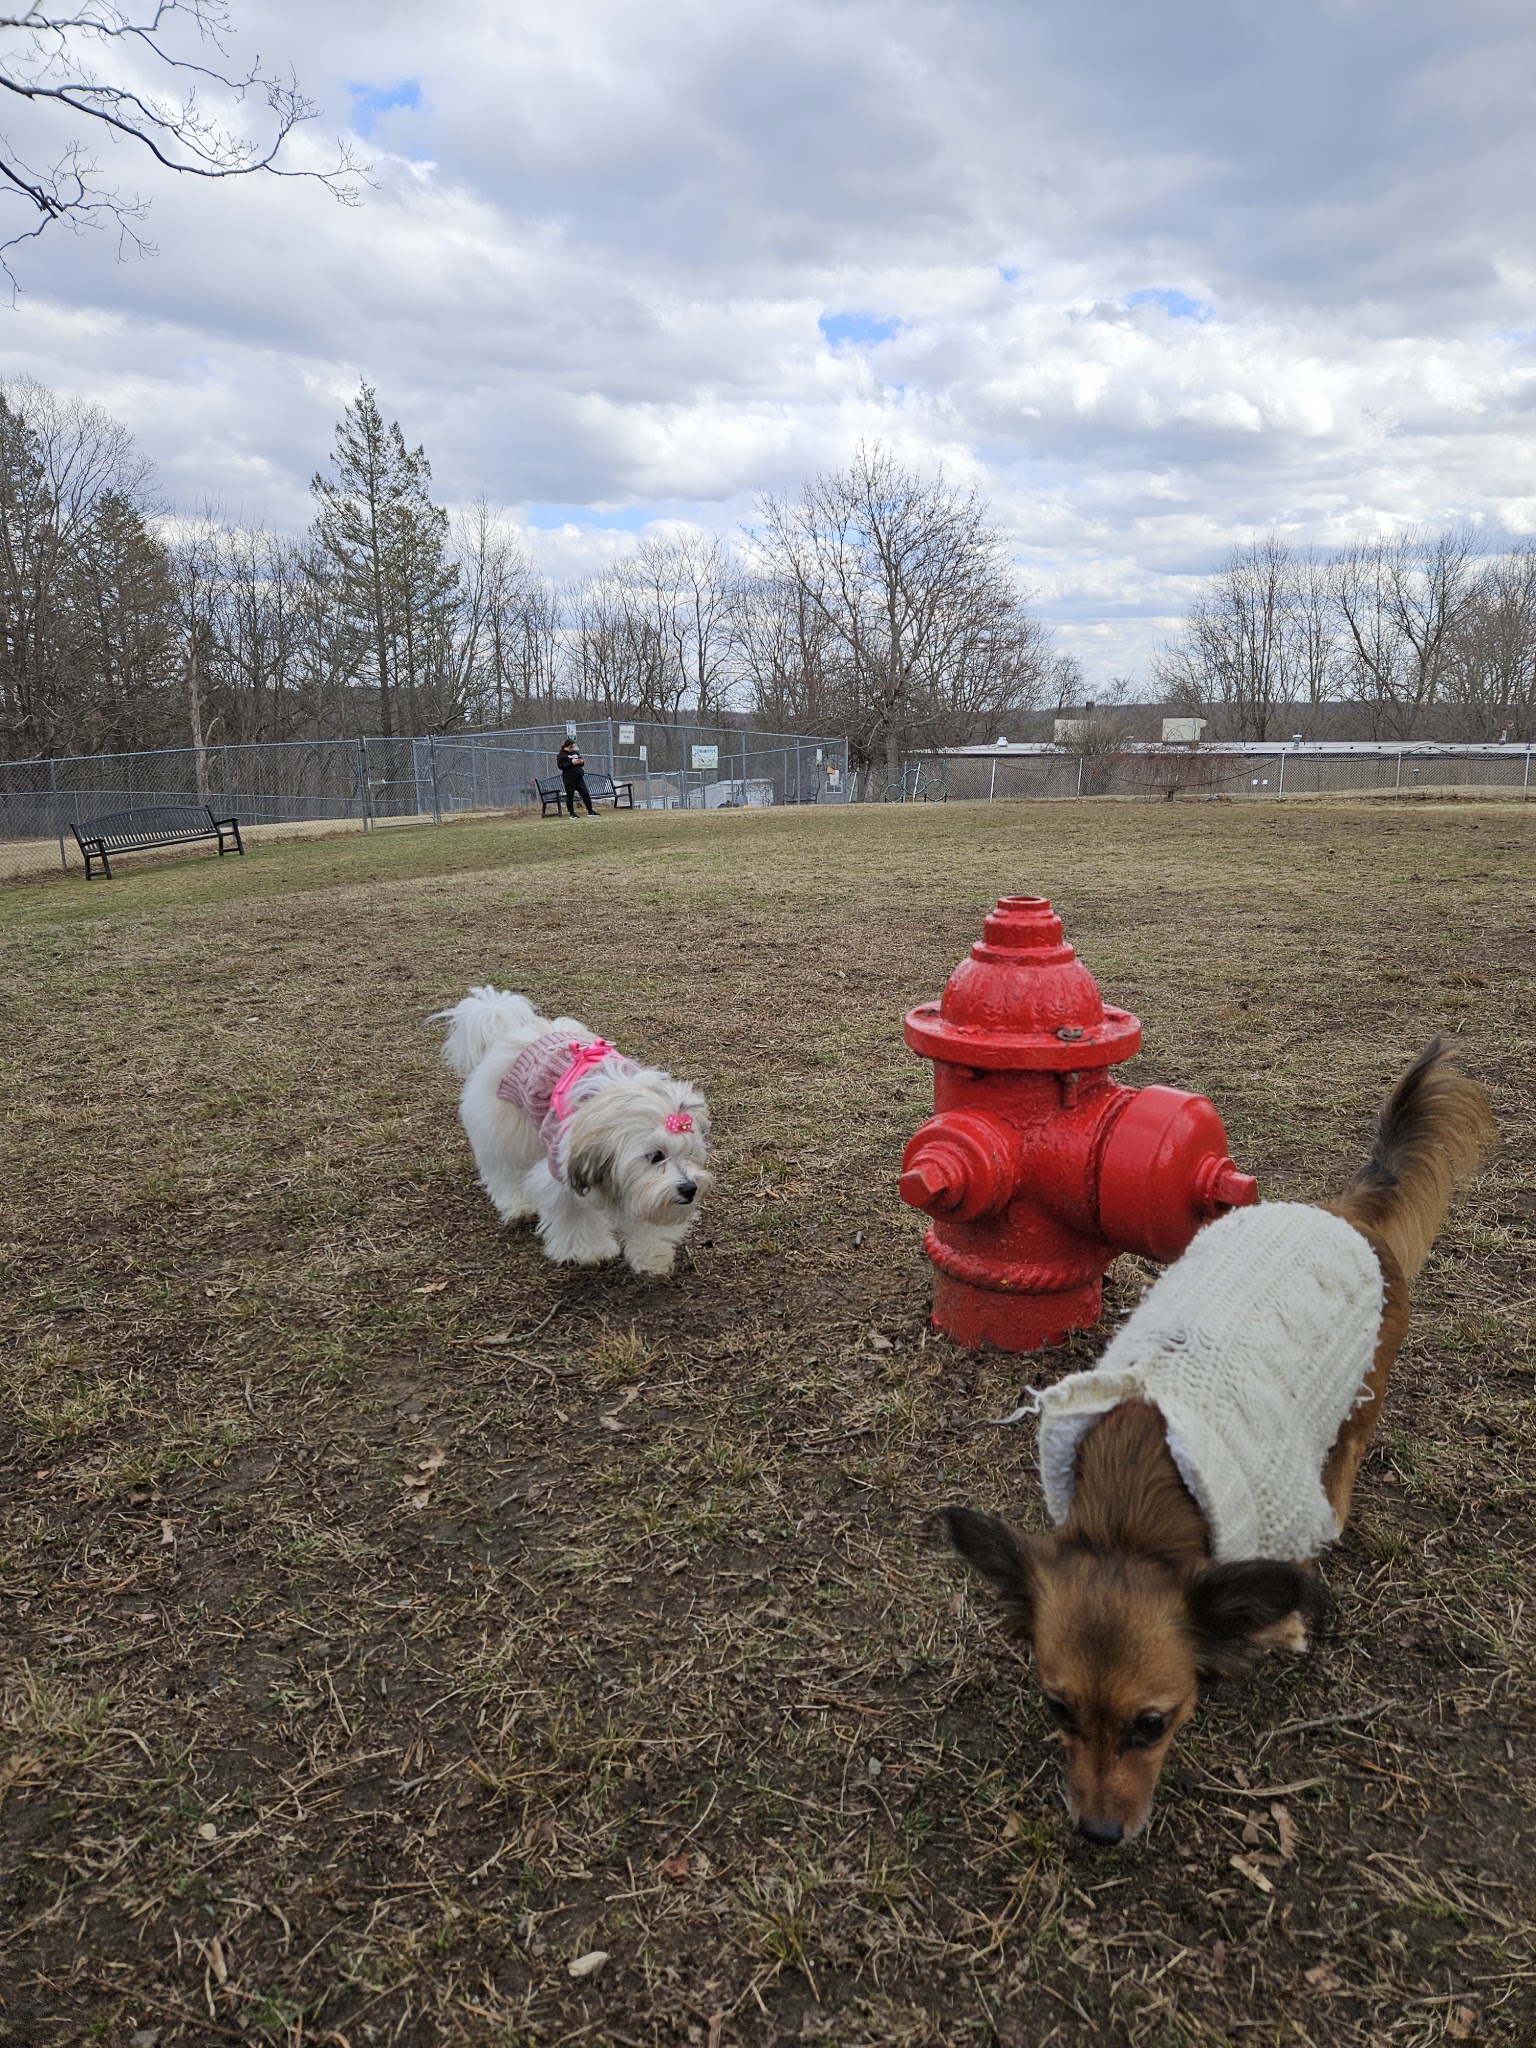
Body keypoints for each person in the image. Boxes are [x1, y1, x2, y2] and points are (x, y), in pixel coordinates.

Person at [557, 738, 597, 817]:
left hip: (578, 776)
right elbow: (561, 766)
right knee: (570, 795)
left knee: (585, 793)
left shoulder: (575, 753)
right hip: (569, 778)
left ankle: (590, 811)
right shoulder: (561, 755)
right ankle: (572, 813)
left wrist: (581, 762)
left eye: (573, 747)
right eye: (571, 747)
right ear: (567, 746)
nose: (572, 749)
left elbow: (580, 762)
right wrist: (571, 762)